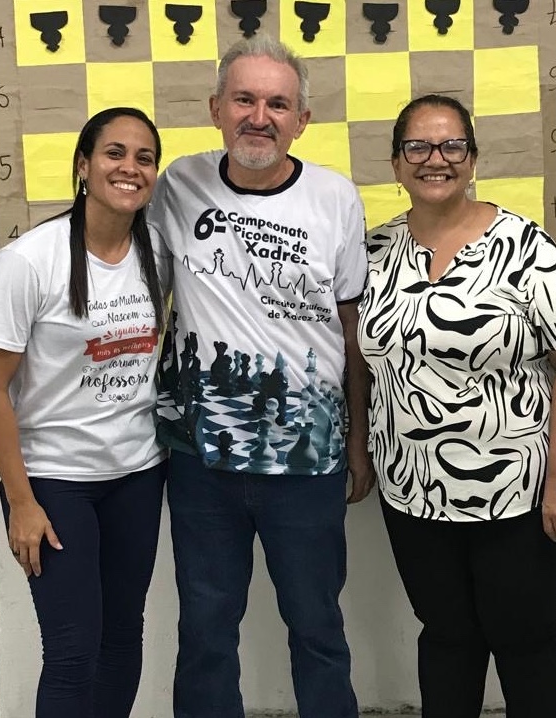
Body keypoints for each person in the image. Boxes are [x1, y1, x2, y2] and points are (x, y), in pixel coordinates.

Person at [357, 93, 556, 718]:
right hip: (412, 492)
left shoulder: (521, 245)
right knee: (445, 637)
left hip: (518, 493)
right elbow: (356, 361)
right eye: (418, 146)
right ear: (396, 164)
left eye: (451, 146)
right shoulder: (372, 251)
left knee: (522, 637)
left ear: (472, 160)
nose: (434, 159)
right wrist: (361, 446)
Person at [147, 35, 374, 718]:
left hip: (309, 462)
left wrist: (357, 444)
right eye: (244, 99)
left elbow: (352, 334)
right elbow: (127, 291)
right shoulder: (176, 186)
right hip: (199, 462)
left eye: (279, 103)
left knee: (318, 630)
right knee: (206, 635)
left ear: (302, 120)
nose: (259, 116)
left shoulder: (335, 199)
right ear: (217, 107)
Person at [0, 107, 167, 718]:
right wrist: (21, 500)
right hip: (54, 482)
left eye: (143, 157)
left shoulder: (157, 251)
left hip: (137, 473)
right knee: (72, 651)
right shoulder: (30, 261)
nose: (129, 168)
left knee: (120, 639)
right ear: (84, 166)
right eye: (114, 153)